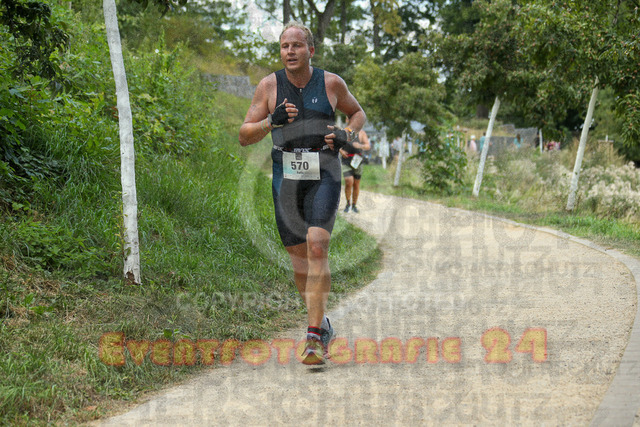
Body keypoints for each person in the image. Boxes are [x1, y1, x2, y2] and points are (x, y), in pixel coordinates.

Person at [238, 21, 366, 365]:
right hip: (287, 175)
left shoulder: (331, 83)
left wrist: (347, 135)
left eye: (296, 45)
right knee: (298, 260)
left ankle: (312, 338)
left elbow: (357, 114)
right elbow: (244, 135)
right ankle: (321, 325)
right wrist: (271, 121)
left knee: (317, 245)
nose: (290, 51)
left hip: (324, 171)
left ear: (311, 50)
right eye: (284, 46)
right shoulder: (269, 86)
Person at [340, 128, 370, 213]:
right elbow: (337, 145)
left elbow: (367, 146)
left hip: (357, 160)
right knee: (349, 181)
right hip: (346, 160)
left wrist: (360, 146)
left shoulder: (362, 133)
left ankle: (354, 205)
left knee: (356, 184)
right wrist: (341, 151)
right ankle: (348, 203)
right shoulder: (344, 131)